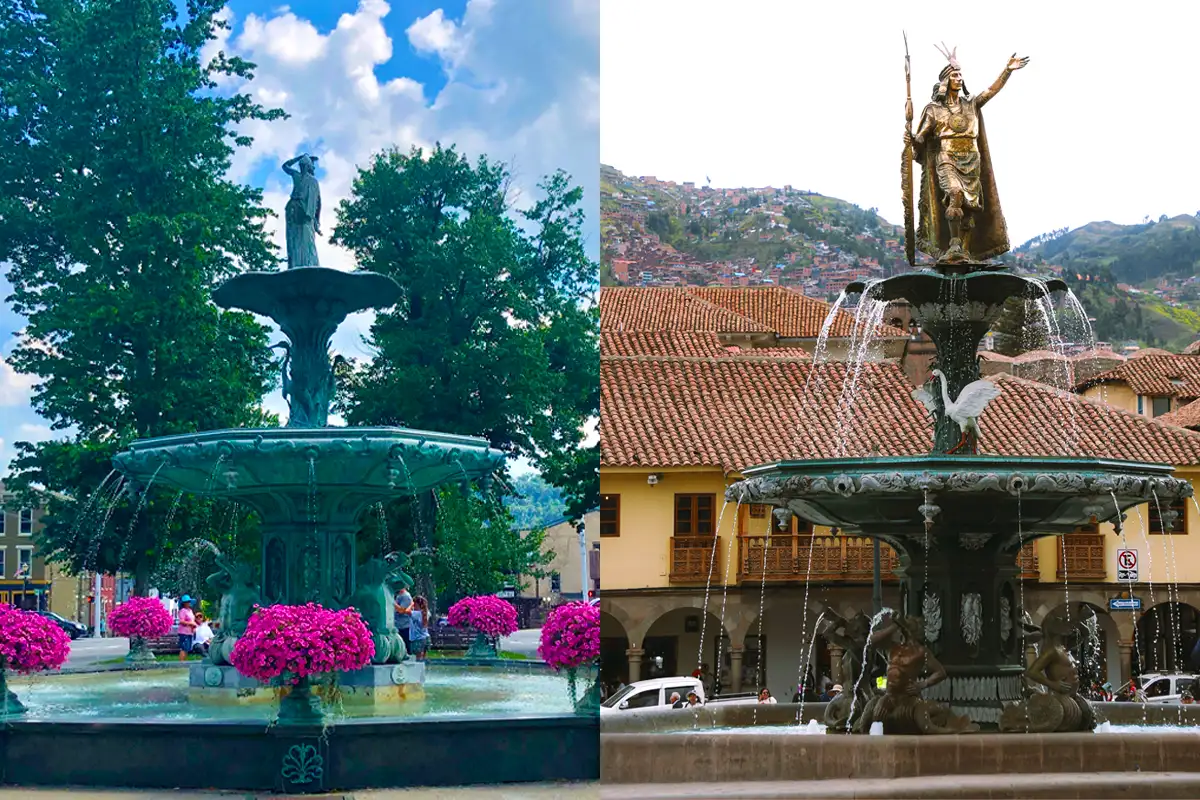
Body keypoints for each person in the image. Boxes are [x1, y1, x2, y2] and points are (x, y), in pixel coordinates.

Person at [907, 45, 1028, 263]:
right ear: (945, 80)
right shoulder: (933, 110)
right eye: (955, 75)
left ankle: (966, 249)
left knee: (969, 208)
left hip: (972, 159)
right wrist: (912, 137)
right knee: (954, 193)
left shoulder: (971, 103)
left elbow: (990, 91)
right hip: (946, 158)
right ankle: (954, 245)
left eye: (961, 74)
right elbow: (921, 138)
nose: (959, 78)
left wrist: (1007, 71)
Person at [282, 153, 321, 268]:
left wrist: (316, 220)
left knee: (306, 240)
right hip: (293, 211)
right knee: (293, 239)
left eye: (304, 166)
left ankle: (308, 264)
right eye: (302, 165)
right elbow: (285, 166)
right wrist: (299, 157)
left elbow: (318, 203)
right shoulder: (297, 175)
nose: (303, 168)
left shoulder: (312, 181)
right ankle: (295, 264)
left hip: (305, 214)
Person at [409, 595, 431, 662]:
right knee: (423, 660)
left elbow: (407, 611)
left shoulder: (416, 613)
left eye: (414, 604)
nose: (413, 606)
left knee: (418, 661)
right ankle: (423, 672)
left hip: (418, 639)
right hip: (426, 638)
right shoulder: (427, 612)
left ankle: (417, 672)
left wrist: (410, 605)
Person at [393, 585, 414, 654]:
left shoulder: (406, 596)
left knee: (406, 648)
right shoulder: (399, 595)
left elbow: (402, 611)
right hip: (400, 626)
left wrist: (392, 603)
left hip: (405, 627)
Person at [176, 595, 197, 662]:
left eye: (189, 601)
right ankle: (181, 663)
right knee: (184, 648)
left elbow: (192, 620)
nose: (188, 603)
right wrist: (190, 623)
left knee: (187, 648)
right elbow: (181, 621)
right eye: (187, 602)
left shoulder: (190, 610)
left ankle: (184, 662)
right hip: (184, 632)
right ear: (184, 603)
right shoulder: (182, 611)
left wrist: (193, 626)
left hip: (190, 632)